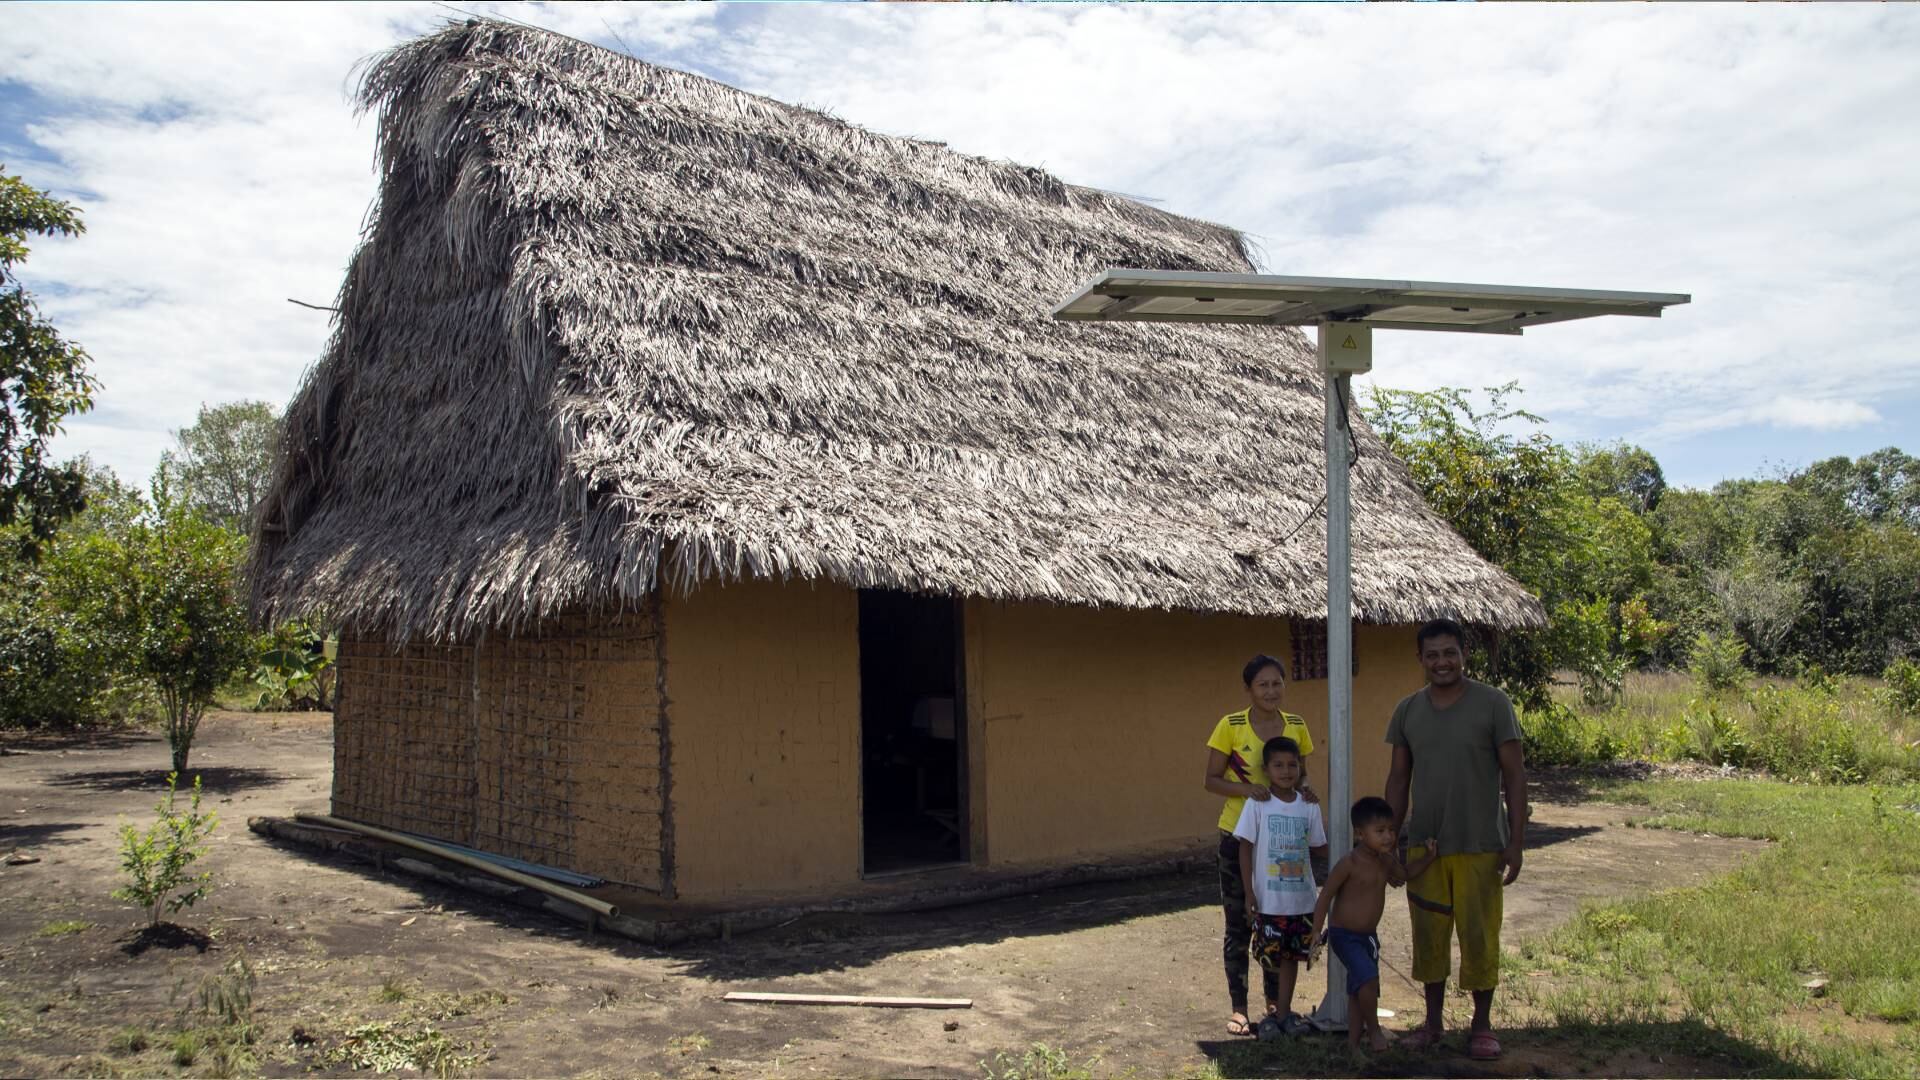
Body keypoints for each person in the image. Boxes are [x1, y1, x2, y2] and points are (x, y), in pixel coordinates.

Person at [1384, 619, 1527, 1060]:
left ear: (1465, 653)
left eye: (1449, 653)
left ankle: (1482, 1025)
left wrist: (1517, 840)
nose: (1441, 662)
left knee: (1479, 935)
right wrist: (1389, 841)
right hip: (1425, 848)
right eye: (1432, 655)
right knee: (1429, 935)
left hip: (1481, 843)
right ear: (1420, 659)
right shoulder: (1407, 711)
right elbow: (1398, 778)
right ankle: (1432, 1023)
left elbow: (1515, 775)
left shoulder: (1493, 704)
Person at [1204, 654, 1318, 1036]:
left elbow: (1303, 776)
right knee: (1239, 922)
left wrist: (1307, 791)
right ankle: (1239, 1007)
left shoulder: (1297, 726)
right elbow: (1211, 779)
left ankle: (1275, 1004)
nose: (1271, 691)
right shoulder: (1231, 726)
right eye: (1263, 685)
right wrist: (1247, 789)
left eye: (1277, 683)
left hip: (1282, 844)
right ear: (1249, 689)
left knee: (1279, 922)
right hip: (1239, 836)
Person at [1310, 797, 1438, 1054]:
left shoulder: (1386, 861)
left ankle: (1354, 1046)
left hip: (1368, 937)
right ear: (1360, 833)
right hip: (1344, 935)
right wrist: (1315, 930)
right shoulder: (1350, 863)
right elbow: (1326, 895)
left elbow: (1405, 875)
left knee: (1359, 991)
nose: (1388, 837)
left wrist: (1429, 857)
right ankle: (1375, 1030)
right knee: (1368, 980)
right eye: (1379, 831)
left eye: (1391, 830)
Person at [1232, 736, 1327, 1039]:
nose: (1286, 771)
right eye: (1278, 765)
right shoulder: (1257, 804)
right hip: (1269, 901)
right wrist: (1249, 892)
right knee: (1269, 957)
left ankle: (1284, 1013)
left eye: (1292, 764)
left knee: (1291, 958)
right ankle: (1270, 1013)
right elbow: (1244, 848)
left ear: (1300, 767)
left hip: (1301, 901)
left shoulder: (1308, 805)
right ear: (1266, 769)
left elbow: (1319, 847)